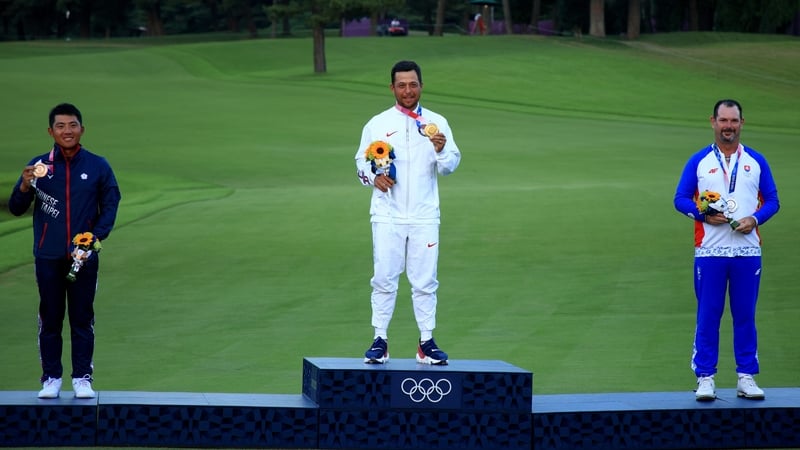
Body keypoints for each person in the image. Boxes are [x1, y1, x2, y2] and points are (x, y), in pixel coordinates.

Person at [8, 103, 121, 399]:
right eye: (60, 126)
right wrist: (24, 186)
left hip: (83, 257)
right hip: (47, 256)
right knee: (50, 318)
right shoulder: (39, 167)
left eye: (72, 125)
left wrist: (94, 237)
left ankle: (82, 378)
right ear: (51, 131)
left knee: (82, 318)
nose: (67, 131)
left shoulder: (98, 166)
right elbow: (16, 208)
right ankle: (51, 378)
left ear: (82, 129)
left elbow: (111, 204)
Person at [355, 60, 461, 365]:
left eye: (413, 84)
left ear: (421, 86)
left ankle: (426, 342)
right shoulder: (377, 124)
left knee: (425, 281)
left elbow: (451, 165)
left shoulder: (436, 123)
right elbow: (361, 162)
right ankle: (380, 340)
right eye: (401, 85)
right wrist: (374, 177)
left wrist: (440, 149)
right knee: (383, 278)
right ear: (392, 88)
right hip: (387, 214)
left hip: (424, 215)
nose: (408, 90)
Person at [673, 99, 779, 401]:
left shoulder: (756, 161)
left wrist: (754, 219)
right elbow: (680, 199)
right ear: (713, 122)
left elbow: (773, 201)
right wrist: (703, 215)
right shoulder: (699, 161)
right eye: (723, 120)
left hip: (748, 252)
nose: (728, 126)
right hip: (710, 252)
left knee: (745, 315)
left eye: (733, 121)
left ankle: (746, 377)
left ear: (741, 123)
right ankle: (705, 377)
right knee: (708, 315)